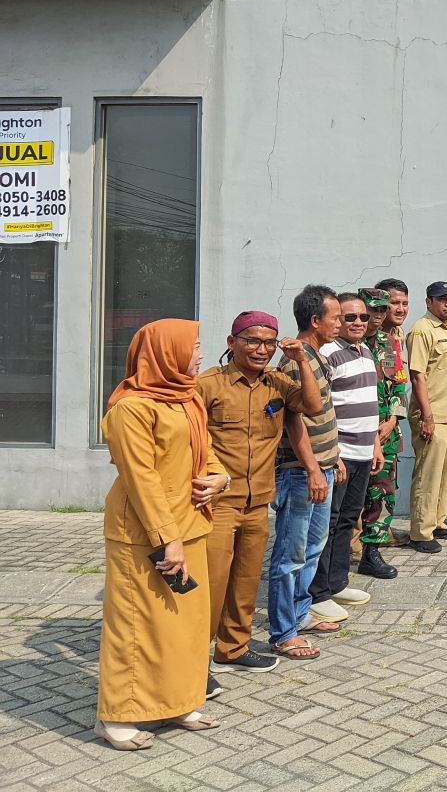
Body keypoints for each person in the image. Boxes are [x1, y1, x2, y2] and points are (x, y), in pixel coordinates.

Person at [97, 320, 225, 750]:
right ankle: (116, 716)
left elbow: (205, 454)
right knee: (135, 627)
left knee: (184, 627)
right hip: (143, 533)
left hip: (190, 524)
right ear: (167, 352)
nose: (202, 355)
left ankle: (177, 703)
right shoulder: (131, 409)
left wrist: (218, 479)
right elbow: (141, 478)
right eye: (195, 346)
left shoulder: (186, 399)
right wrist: (165, 538)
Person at [197, 311, 322, 676]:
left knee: (246, 580)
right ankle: (191, 661)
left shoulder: (277, 383)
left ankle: (232, 649)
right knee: (211, 585)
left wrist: (301, 360)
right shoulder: (208, 386)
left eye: (269, 342)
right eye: (252, 341)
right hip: (217, 504)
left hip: (258, 500)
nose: (261, 349)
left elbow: (312, 406)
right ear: (231, 342)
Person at [271, 286, 345, 660]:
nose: (342, 323)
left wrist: (334, 459)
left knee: (312, 550)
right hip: (301, 475)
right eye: (336, 317)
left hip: (323, 468)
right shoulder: (292, 362)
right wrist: (315, 469)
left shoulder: (316, 357)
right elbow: (293, 423)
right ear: (315, 321)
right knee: (290, 556)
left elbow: (325, 414)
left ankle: (300, 615)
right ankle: (283, 632)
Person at [310, 293, 386, 620]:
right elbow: (322, 408)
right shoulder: (328, 353)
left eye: (363, 318)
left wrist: (375, 445)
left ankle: (337, 582)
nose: (357, 323)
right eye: (349, 317)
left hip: (363, 452)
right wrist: (333, 455)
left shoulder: (365, 350)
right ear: (337, 319)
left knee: (347, 520)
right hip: (338, 455)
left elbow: (368, 404)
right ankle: (317, 593)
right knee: (327, 523)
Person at [405, 281, 447, 555]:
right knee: (428, 475)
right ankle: (420, 532)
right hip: (434, 415)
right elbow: (417, 375)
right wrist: (427, 416)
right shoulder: (422, 330)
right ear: (429, 302)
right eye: (442, 300)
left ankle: (437, 522)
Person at [358, 285, 408, 557]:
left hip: (386, 433)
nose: (376, 315)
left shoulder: (389, 344)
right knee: (350, 496)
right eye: (371, 310)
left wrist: (391, 421)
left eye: (381, 310)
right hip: (354, 433)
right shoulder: (346, 343)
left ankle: (372, 552)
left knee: (383, 492)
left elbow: (399, 384)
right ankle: (346, 549)